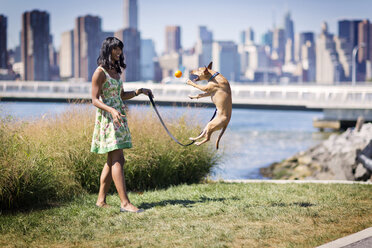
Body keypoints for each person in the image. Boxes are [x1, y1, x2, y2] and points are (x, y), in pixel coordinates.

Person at [91, 37, 152, 213]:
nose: (119, 52)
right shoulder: (100, 72)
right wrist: (111, 110)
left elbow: (121, 95)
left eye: (120, 49)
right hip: (109, 118)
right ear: (107, 50)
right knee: (117, 158)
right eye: (115, 49)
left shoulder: (116, 71)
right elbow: (94, 100)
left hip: (119, 116)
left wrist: (139, 92)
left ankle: (101, 201)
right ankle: (125, 203)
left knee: (113, 160)